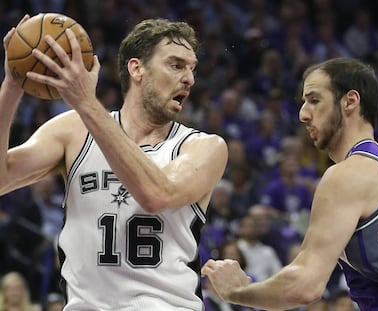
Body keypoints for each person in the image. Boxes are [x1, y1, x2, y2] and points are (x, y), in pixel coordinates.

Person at [1, 16, 228, 310]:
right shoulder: (74, 131)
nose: (189, 78)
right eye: (176, 65)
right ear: (137, 69)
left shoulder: (202, 147)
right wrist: (12, 84)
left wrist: (85, 103)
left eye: (192, 68)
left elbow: (156, 195)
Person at [201, 57, 378, 310]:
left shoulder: (348, 174)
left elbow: (305, 285)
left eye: (314, 100)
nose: (303, 114)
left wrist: (236, 291)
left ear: (350, 101)